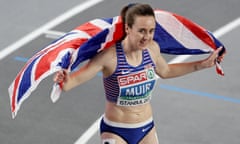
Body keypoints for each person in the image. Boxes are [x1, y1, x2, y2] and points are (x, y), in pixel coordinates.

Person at [53, 3, 224, 144]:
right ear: (128, 28)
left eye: (151, 31)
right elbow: (71, 83)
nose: (147, 37)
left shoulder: (152, 49)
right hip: (116, 131)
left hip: (146, 128)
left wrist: (202, 64)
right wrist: (64, 80)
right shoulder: (109, 57)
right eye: (141, 31)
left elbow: (165, 71)